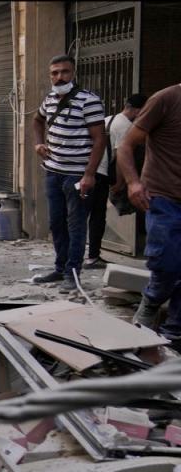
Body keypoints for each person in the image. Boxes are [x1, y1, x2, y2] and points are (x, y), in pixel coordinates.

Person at [31, 54, 106, 291]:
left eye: (64, 72)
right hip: (53, 172)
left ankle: (73, 273)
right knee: (56, 223)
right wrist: (38, 143)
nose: (59, 77)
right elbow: (37, 120)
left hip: (77, 175)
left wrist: (89, 175)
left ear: (73, 73)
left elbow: (100, 140)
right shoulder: (50, 98)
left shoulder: (89, 100)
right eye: (54, 73)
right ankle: (60, 267)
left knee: (76, 225)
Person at [118, 83, 181, 346]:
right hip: (163, 196)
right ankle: (153, 298)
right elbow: (125, 146)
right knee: (167, 263)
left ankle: (174, 330)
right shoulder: (166, 99)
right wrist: (133, 182)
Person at [86, 93, 148, 268]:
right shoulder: (125, 126)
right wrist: (121, 182)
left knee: (84, 214)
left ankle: (84, 255)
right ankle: (93, 257)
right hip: (99, 172)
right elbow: (122, 155)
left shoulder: (109, 119)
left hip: (88, 169)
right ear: (137, 110)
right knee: (97, 216)